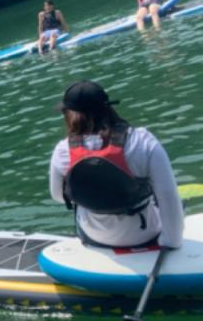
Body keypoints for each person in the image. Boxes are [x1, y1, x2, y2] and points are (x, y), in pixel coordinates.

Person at [49, 80, 184, 249]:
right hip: (145, 234)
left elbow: (58, 196)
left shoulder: (62, 150)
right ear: (108, 108)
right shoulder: (142, 141)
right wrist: (171, 241)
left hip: (94, 235)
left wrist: (96, 194)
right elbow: (169, 196)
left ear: (68, 114)